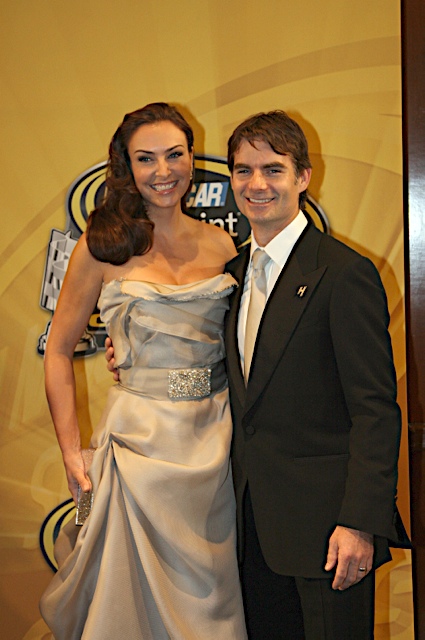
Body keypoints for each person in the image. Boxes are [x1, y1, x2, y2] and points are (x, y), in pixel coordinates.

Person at [40, 102, 248, 640]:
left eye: (174, 155)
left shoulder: (222, 245)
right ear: (126, 166)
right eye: (146, 158)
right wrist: (71, 451)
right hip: (136, 446)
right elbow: (58, 350)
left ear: (191, 157)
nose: (163, 171)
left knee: (212, 605)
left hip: (216, 442)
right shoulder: (102, 246)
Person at [223, 110, 410, 639]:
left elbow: (375, 410)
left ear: (303, 177)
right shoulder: (230, 277)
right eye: (243, 170)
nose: (257, 184)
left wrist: (360, 523)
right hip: (248, 533)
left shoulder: (345, 273)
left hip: (329, 537)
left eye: (273, 170)